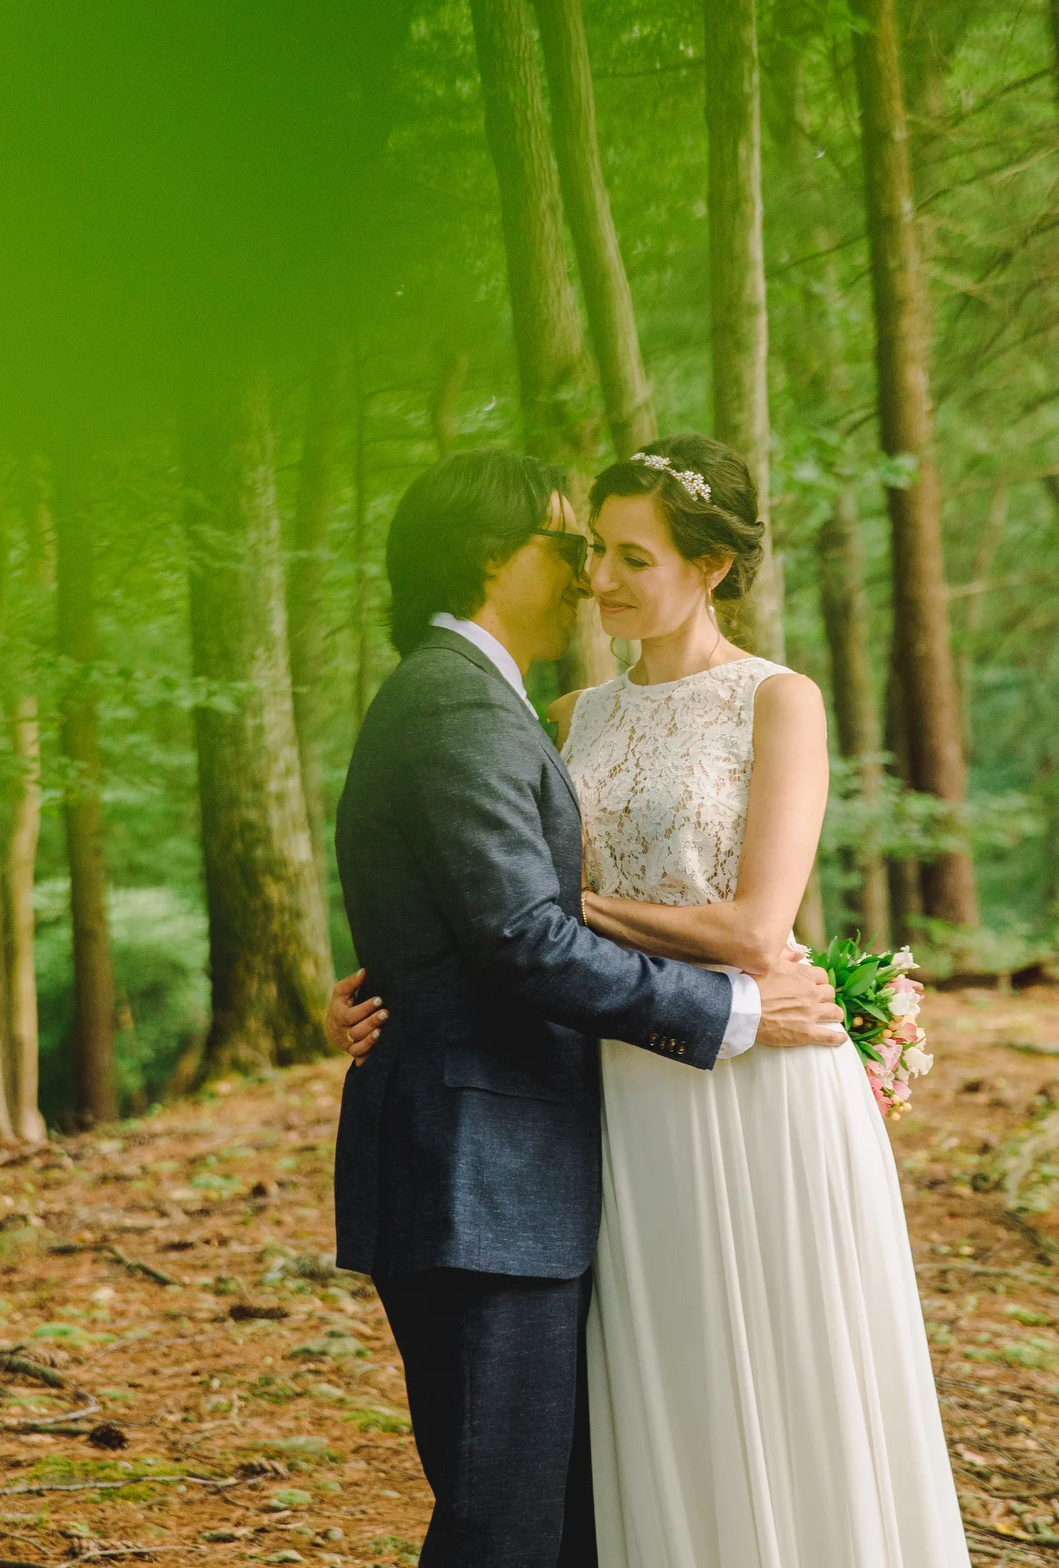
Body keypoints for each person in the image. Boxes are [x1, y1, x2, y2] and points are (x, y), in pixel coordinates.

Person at [334, 436, 967, 1568]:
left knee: (772, 1384)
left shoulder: (774, 699)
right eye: (585, 550)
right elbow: (497, 907)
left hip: (738, 1078)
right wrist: (412, 975)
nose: (598, 576)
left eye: (629, 554)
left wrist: (545, 914)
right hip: (613, 1094)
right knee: (620, 1431)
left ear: (710, 565)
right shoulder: (554, 710)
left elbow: (753, 930)